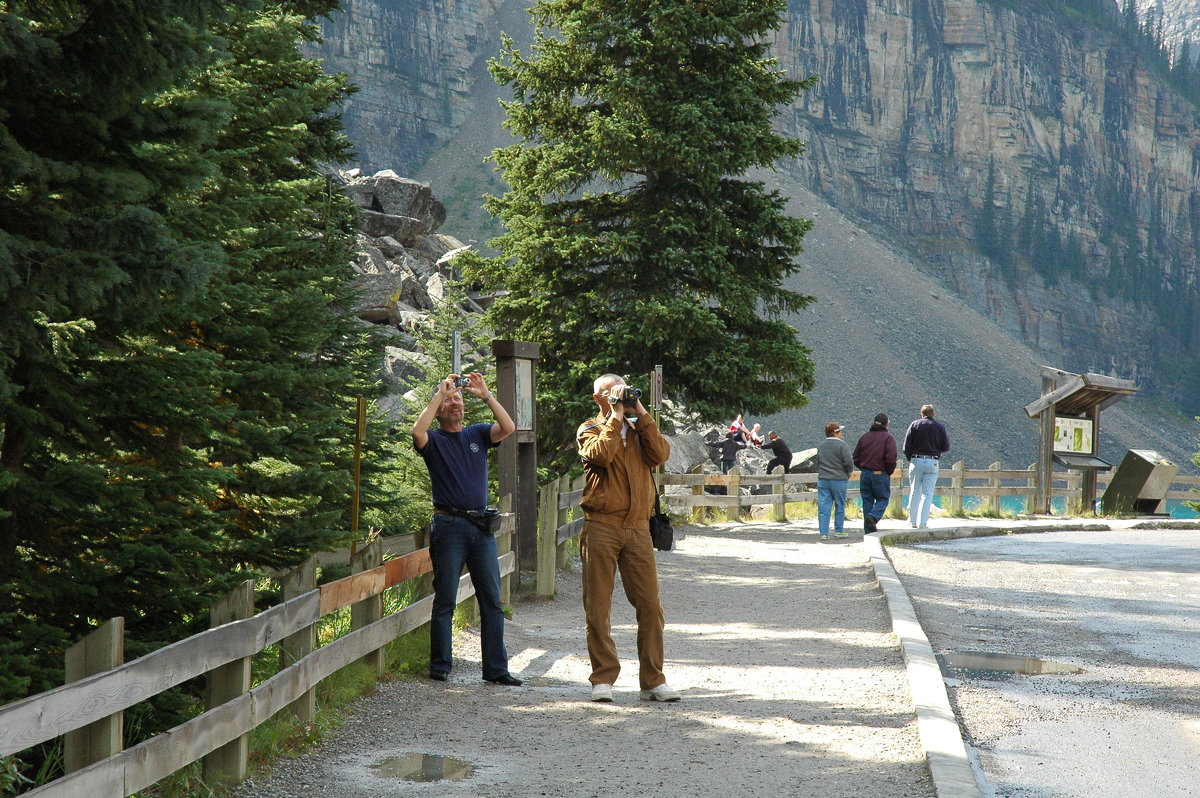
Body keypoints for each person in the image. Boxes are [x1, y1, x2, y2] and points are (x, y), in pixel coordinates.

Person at [412, 372, 522, 686]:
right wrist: (439, 393)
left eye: (458, 399)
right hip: (448, 525)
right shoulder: (432, 440)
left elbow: (509, 428)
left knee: (492, 599)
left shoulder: (476, 434)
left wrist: (486, 395)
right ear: (440, 408)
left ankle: (496, 670)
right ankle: (440, 667)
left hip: (480, 526)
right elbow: (417, 430)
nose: (455, 403)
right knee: (445, 597)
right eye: (449, 400)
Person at [577, 373, 679, 703]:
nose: (619, 397)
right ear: (598, 399)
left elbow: (661, 454)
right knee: (598, 605)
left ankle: (653, 680)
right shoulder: (589, 430)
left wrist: (641, 415)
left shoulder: (639, 432)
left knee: (651, 605)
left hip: (637, 528)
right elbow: (602, 455)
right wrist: (614, 417)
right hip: (601, 526)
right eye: (611, 394)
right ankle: (603, 678)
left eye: (622, 392)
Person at [902, 404, 951, 529]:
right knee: (927, 493)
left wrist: (911, 458)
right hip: (932, 461)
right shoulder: (939, 427)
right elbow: (945, 447)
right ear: (933, 414)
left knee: (915, 491)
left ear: (921, 414)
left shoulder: (914, 425)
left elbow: (906, 446)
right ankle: (923, 523)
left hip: (916, 460)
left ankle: (912, 521)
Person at [852, 413, 897, 533]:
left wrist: (863, 467)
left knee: (867, 500)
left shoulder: (864, 437)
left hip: (865, 474)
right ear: (886, 424)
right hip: (880, 474)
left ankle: (869, 531)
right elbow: (891, 458)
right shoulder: (888, 438)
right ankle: (873, 517)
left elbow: (856, 457)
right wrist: (888, 471)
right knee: (883, 499)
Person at [816, 421, 854, 539]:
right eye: (840, 431)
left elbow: (818, 461)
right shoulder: (843, 445)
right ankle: (838, 530)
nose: (842, 433)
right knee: (839, 505)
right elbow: (848, 462)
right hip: (839, 479)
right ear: (835, 433)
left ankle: (823, 533)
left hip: (823, 479)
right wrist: (849, 472)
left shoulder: (821, 445)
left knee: (824, 506)